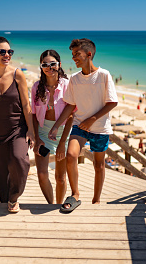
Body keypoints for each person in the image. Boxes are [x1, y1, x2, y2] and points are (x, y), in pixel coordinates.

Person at [49, 38, 118, 213]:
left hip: (100, 128)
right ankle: (75, 194)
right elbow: (70, 105)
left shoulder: (104, 75)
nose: (74, 58)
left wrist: (92, 119)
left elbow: (112, 102)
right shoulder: (74, 79)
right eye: (72, 55)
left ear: (89, 54)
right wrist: (56, 126)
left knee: (98, 165)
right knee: (71, 155)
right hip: (79, 125)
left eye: (77, 54)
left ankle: (96, 199)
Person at [0, 37, 35, 213]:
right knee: (0, 173)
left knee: (19, 160)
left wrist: (31, 130)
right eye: (2, 52)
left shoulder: (18, 74)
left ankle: (13, 197)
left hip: (17, 129)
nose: (7, 55)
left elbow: (26, 104)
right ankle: (6, 203)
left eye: (10, 52)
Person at [31, 50, 73, 204]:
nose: (49, 67)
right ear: (41, 67)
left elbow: (72, 115)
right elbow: (33, 115)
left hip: (63, 133)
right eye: (45, 65)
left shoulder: (67, 85)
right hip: (42, 132)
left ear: (59, 65)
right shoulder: (36, 87)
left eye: (53, 64)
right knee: (42, 175)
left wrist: (62, 142)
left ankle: (58, 205)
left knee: (60, 178)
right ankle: (50, 205)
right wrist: (36, 138)